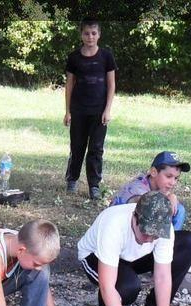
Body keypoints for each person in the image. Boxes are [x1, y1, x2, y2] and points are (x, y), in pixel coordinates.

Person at [77, 192, 191, 306]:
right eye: (145, 232)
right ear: (135, 217)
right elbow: (108, 287)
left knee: (188, 243)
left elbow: (162, 276)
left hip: (131, 257)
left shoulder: (162, 228)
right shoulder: (114, 225)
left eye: (154, 236)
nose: (149, 239)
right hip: (95, 257)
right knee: (127, 288)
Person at [63, 18, 117, 200]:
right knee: (77, 146)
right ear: (81, 34)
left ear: (99, 35)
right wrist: (68, 111)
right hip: (78, 109)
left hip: (99, 111)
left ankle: (94, 185)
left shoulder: (106, 56)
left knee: (95, 149)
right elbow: (69, 84)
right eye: (86, 33)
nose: (90, 37)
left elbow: (111, 85)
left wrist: (107, 110)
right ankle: (72, 179)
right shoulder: (74, 57)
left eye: (94, 33)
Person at [110, 151, 191, 231]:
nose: (173, 183)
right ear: (153, 172)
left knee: (179, 209)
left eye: (176, 178)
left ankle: (171, 241)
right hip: (117, 232)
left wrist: (172, 196)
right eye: (168, 176)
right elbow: (147, 204)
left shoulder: (156, 185)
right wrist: (169, 198)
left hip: (134, 230)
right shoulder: (137, 188)